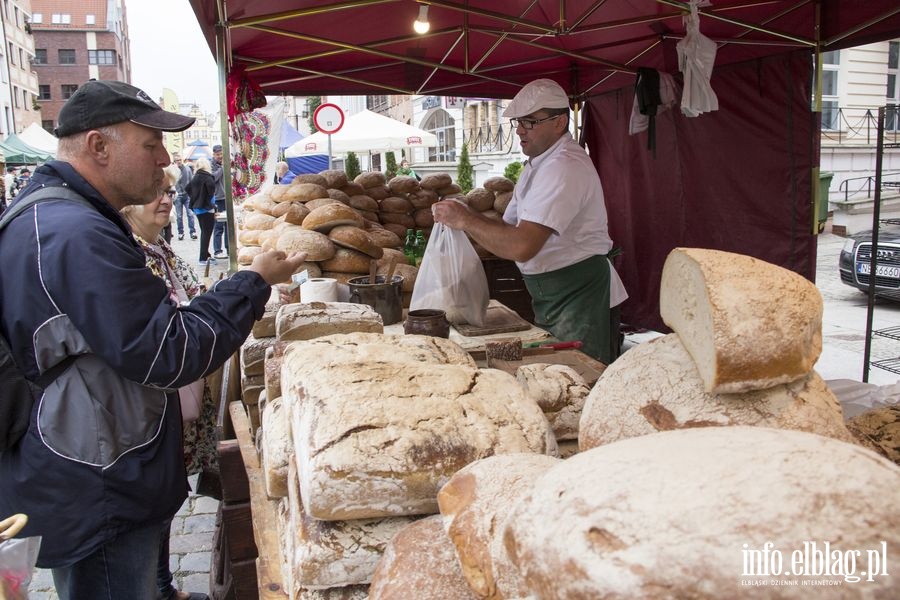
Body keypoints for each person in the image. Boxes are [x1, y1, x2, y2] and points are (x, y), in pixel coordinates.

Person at [0, 79, 306, 600]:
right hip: (98, 483)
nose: (165, 160)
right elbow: (171, 350)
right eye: (150, 144)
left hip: (86, 466)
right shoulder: (74, 233)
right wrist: (252, 282)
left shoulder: (56, 218)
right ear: (98, 146)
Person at [432, 78, 627, 364]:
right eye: (518, 122)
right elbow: (507, 228)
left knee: (582, 378)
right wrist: (465, 225)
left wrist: (466, 220)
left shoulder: (564, 167)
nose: (521, 130)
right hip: (554, 291)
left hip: (580, 294)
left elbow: (522, 245)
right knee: (557, 374)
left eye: (531, 122)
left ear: (560, 123)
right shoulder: (538, 164)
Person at [120, 166, 213, 600]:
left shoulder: (161, 248)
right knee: (155, 498)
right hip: (155, 404)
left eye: (170, 192)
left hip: (179, 396)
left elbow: (194, 296)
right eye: (154, 192)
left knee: (167, 495)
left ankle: (161, 584)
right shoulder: (131, 256)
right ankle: (156, 586)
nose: (166, 200)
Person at [188, 157, 217, 265]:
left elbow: (188, 188)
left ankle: (206, 255)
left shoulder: (195, 177)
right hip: (207, 209)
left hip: (198, 209)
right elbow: (211, 194)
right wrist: (212, 206)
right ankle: (203, 258)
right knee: (206, 233)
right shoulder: (208, 177)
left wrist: (196, 199)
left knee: (204, 232)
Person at [173, 153, 197, 240]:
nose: (178, 162)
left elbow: (191, 181)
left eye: (179, 160)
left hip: (187, 195)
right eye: (177, 160)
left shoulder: (187, 169)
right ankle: (180, 232)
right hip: (178, 195)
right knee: (179, 216)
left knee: (190, 214)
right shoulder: (173, 170)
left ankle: (192, 232)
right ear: (174, 161)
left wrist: (192, 194)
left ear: (182, 160)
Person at [211, 144, 228, 259]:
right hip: (217, 198)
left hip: (226, 197)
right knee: (218, 226)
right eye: (218, 154)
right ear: (213, 154)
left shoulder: (225, 163)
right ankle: (217, 250)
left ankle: (229, 249)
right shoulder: (211, 165)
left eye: (221, 154)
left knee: (228, 225)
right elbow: (213, 178)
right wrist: (222, 168)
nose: (220, 156)